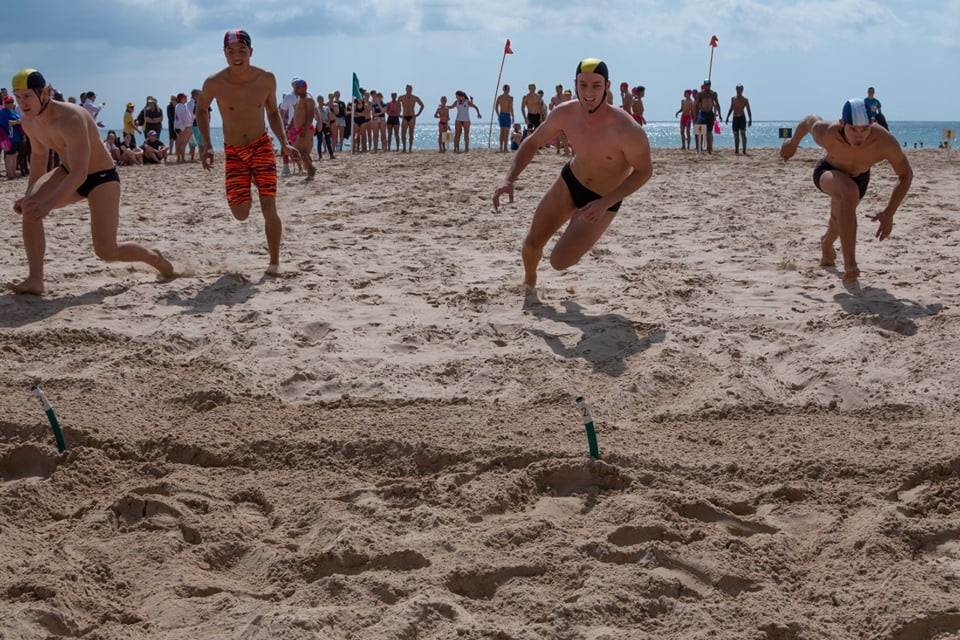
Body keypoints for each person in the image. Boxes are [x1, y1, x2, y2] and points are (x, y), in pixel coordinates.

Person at [6, 68, 173, 295]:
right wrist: (31, 196)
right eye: (18, 97)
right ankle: (35, 279)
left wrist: (47, 204)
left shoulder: (71, 117)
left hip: (101, 178)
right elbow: (38, 158)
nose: (22, 102)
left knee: (106, 250)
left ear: (43, 92)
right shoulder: (29, 122)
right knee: (30, 207)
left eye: (26, 96)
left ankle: (154, 257)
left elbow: (81, 172)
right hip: (67, 171)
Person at [493, 58, 652, 294]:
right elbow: (533, 142)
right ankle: (529, 283)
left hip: (603, 199)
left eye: (596, 86)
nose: (589, 92)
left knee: (559, 261)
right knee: (532, 242)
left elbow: (644, 171)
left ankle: (576, 224)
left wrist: (605, 203)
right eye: (583, 85)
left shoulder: (626, 129)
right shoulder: (564, 113)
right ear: (575, 84)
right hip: (570, 181)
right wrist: (510, 179)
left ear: (607, 86)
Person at [196, 29, 299, 276]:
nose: (237, 56)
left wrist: (283, 142)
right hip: (233, 152)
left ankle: (274, 262)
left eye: (242, 50)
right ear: (224, 54)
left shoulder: (266, 79)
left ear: (251, 52)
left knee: (269, 207)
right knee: (241, 213)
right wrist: (207, 145)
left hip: (261, 146)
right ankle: (246, 192)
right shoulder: (214, 83)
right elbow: (201, 110)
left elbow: (273, 112)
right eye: (231, 51)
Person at [779, 98, 912, 282]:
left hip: (860, 179)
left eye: (864, 129)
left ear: (871, 124)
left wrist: (889, 213)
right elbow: (810, 120)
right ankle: (850, 264)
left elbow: (906, 175)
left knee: (839, 218)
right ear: (842, 124)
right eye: (853, 129)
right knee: (848, 192)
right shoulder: (827, 133)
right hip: (827, 171)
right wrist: (793, 144)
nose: (859, 136)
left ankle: (826, 244)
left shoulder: (884, 142)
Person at [288, 78, 316, 178]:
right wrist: (291, 125)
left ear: (303, 88)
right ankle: (310, 171)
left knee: (299, 149)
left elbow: (310, 115)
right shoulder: (300, 99)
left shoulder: (308, 99)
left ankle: (311, 170)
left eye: (297, 88)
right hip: (300, 128)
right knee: (302, 151)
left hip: (306, 128)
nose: (295, 90)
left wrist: (305, 129)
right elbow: (296, 114)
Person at [695, 80, 722, 153]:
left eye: (708, 85)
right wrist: (696, 115)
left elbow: (717, 104)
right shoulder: (701, 94)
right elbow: (696, 105)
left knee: (709, 131)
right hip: (703, 113)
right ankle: (699, 148)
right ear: (704, 85)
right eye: (706, 85)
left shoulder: (713, 94)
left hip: (710, 113)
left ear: (710, 85)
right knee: (699, 130)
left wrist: (720, 115)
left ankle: (709, 148)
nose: (707, 86)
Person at [725, 84, 752, 155]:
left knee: (743, 133)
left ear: (742, 90)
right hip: (735, 118)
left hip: (742, 117)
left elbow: (748, 110)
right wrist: (727, 117)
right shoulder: (733, 99)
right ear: (736, 90)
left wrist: (750, 119)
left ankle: (744, 150)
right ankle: (736, 150)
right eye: (738, 89)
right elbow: (731, 108)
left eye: (740, 89)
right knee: (735, 134)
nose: (739, 91)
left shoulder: (745, 100)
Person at [1, 95, 24, 179]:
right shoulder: (3, 112)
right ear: (5, 103)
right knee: (9, 155)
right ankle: (9, 173)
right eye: (8, 102)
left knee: (15, 155)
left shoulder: (13, 111)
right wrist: (17, 122)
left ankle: (13, 173)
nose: (10, 103)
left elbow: (19, 120)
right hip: (8, 138)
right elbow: (7, 122)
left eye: (11, 102)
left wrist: (17, 122)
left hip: (17, 136)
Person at [398, 84, 424, 153]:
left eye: (410, 88)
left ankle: (410, 148)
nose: (409, 90)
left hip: (412, 117)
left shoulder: (415, 98)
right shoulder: (401, 97)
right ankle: (404, 148)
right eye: (408, 88)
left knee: (411, 133)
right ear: (405, 89)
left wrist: (417, 114)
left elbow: (422, 105)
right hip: (404, 116)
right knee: (403, 133)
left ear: (412, 89)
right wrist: (399, 113)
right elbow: (397, 105)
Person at [173, 93, 194, 163]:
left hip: (177, 126)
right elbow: (184, 117)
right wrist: (187, 124)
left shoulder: (177, 106)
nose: (186, 99)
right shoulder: (182, 106)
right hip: (184, 126)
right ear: (181, 99)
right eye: (184, 97)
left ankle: (179, 158)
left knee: (179, 143)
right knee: (183, 144)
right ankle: (182, 159)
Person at [495, 84, 514, 152]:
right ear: (508, 89)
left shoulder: (500, 97)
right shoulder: (510, 98)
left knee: (502, 132)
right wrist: (513, 117)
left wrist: (498, 114)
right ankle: (504, 148)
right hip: (506, 115)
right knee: (505, 132)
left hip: (502, 115)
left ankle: (501, 147)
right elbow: (511, 108)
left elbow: (496, 107)